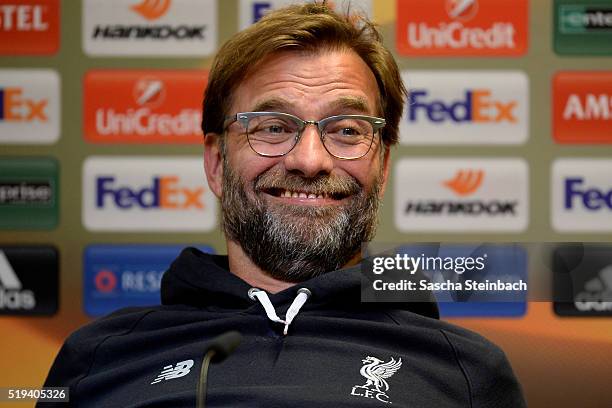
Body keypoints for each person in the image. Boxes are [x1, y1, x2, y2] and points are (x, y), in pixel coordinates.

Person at [39, 3, 526, 407]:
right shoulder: (98, 357)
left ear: (382, 165)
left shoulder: (467, 372)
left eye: (347, 130)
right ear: (216, 161)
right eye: (273, 126)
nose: (309, 160)